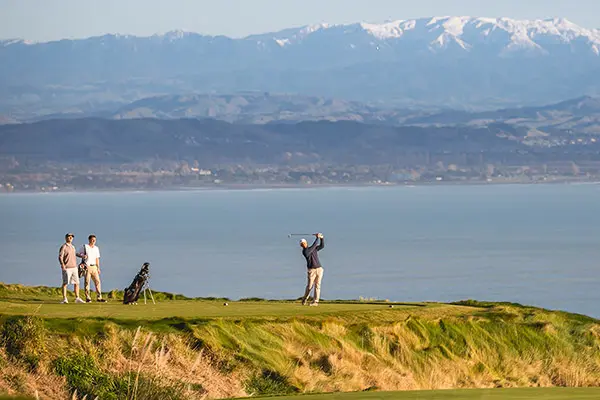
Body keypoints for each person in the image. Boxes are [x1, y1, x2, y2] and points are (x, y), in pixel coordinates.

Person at [78, 234, 106, 302]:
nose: (93, 241)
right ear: (89, 240)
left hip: (94, 267)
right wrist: (83, 255)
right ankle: (88, 297)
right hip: (87, 266)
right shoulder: (85, 246)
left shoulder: (96, 248)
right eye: (92, 240)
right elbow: (77, 253)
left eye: (94, 240)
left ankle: (99, 297)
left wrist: (98, 267)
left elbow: (97, 259)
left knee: (97, 281)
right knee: (87, 282)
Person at [58, 233, 85, 304]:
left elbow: (75, 255)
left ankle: (77, 298)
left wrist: (82, 257)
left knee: (77, 283)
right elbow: (60, 257)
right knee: (65, 283)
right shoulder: (64, 246)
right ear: (66, 238)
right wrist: (62, 264)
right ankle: (64, 299)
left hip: (74, 267)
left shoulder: (73, 247)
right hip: (67, 267)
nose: (70, 238)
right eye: (69, 237)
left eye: (71, 237)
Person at [300, 233, 325, 306]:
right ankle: (304, 298)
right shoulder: (305, 251)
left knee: (318, 285)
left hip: (319, 269)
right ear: (301, 245)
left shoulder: (313, 248)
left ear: (306, 243)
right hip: (311, 270)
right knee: (310, 286)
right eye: (302, 244)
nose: (303, 244)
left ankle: (315, 302)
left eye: (304, 243)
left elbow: (322, 246)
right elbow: (311, 249)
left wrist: (321, 238)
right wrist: (317, 238)